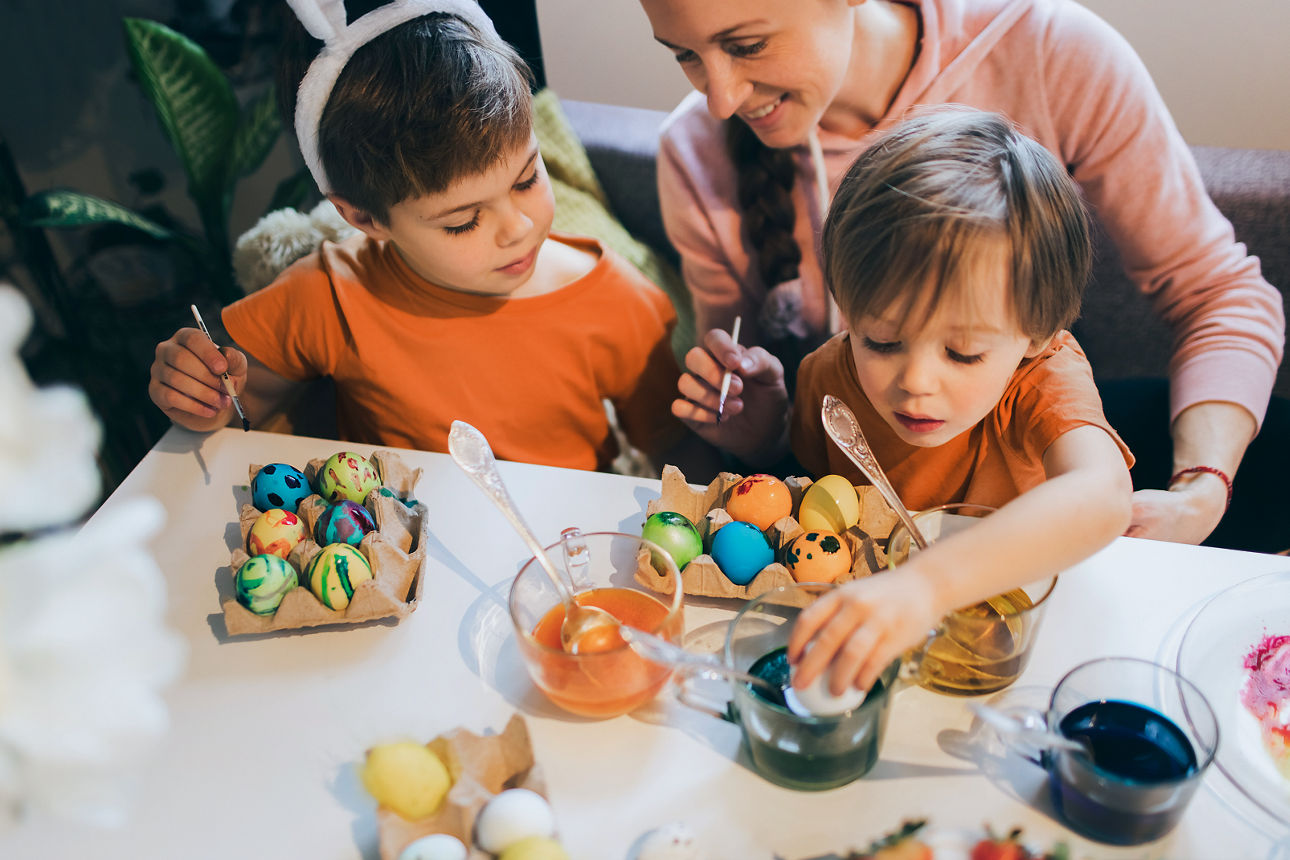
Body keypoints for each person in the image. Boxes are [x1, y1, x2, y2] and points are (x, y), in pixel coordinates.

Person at [644, 0, 1285, 548]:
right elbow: (781, 441)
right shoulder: (695, 149)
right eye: (682, 54)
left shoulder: (1050, 48)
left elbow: (1217, 294)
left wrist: (1201, 490)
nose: (720, 99)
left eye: (748, 45)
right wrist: (755, 434)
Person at [149, 0, 707, 475]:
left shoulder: (617, 301)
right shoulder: (331, 294)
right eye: (463, 221)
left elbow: (675, 457)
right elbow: (245, 399)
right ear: (365, 219)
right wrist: (202, 392)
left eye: (527, 179)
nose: (519, 228)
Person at [727, 107, 1133, 694]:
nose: (916, 380)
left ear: (1037, 334)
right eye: (882, 340)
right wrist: (757, 434)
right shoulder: (830, 380)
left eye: (963, 353)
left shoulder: (1041, 379)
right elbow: (804, 501)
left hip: (1010, 659)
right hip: (877, 654)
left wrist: (925, 586)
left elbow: (1101, 497)